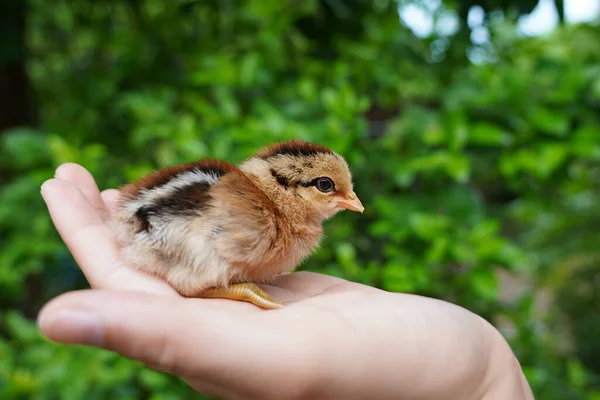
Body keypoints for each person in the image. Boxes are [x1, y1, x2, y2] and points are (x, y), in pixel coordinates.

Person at [37, 163, 535, 400]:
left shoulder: (258, 200)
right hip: (169, 238)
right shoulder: (261, 214)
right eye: (327, 188)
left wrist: (488, 375)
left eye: (343, 190)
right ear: (288, 188)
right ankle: (212, 287)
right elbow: (181, 223)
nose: (346, 199)